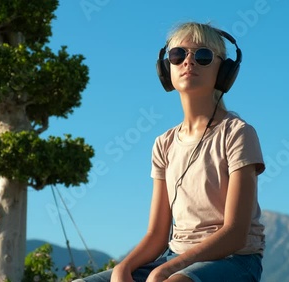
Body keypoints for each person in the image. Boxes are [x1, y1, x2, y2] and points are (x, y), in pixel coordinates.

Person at [74, 21, 266, 282]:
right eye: (178, 55)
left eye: (203, 56)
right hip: (174, 258)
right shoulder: (163, 144)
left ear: (224, 71)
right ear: (167, 69)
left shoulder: (237, 133)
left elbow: (235, 233)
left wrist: (165, 270)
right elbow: (156, 235)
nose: (189, 62)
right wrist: (123, 268)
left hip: (236, 261)